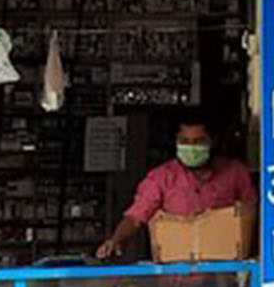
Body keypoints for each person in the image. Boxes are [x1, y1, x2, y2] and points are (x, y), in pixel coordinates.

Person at [96, 109, 255, 260]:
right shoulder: (161, 178)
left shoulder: (235, 173)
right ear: (176, 142)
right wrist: (116, 240)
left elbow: (252, 214)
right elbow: (135, 216)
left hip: (224, 276)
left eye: (198, 142)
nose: (191, 147)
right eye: (185, 141)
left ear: (212, 141)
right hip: (175, 279)